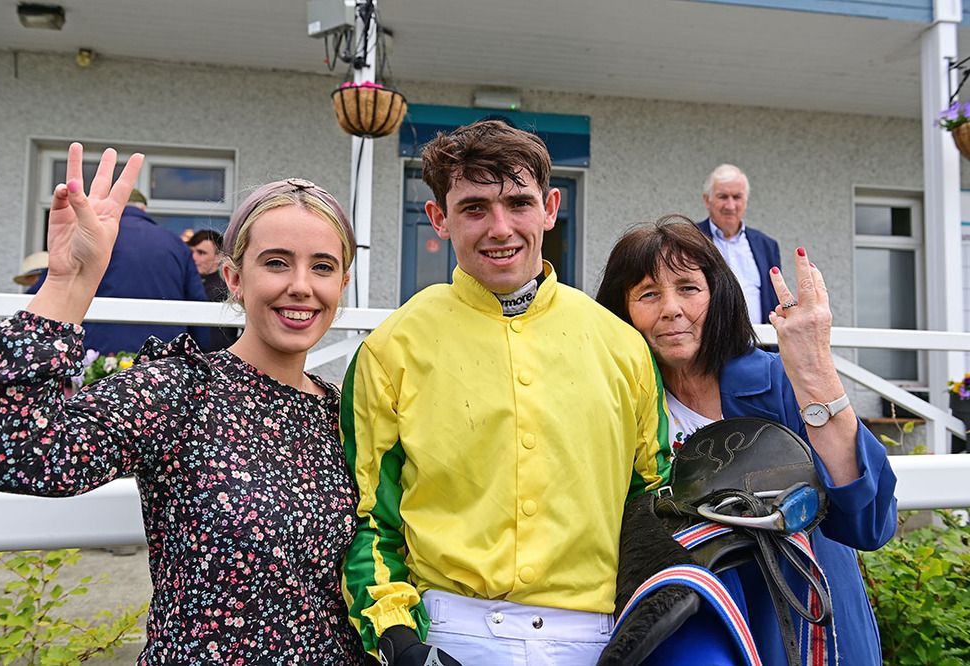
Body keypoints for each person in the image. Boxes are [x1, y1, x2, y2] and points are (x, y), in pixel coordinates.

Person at [0, 143, 368, 664]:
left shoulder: (342, 413)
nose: (300, 286)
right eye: (276, 262)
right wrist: (69, 282)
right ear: (233, 278)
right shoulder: (180, 391)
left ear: (341, 283)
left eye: (322, 267)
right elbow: (7, 447)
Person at [341, 120, 671, 665]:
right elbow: (367, 517)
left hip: (598, 637)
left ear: (550, 207)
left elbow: (653, 501)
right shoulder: (389, 348)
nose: (500, 228)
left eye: (518, 203)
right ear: (438, 218)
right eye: (474, 208)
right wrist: (399, 641)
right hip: (447, 635)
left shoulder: (623, 346)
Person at [595, 215, 897, 665]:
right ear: (622, 312)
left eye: (689, 288)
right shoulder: (620, 403)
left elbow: (868, 523)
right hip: (695, 636)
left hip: (806, 626)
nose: (671, 308)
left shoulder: (777, 381)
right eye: (648, 294)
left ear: (718, 296)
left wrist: (816, 372)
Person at [29, 189, 210, 354]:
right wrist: (202, 354)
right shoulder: (176, 244)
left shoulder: (90, 237)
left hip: (98, 354)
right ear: (143, 210)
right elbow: (197, 304)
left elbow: (46, 292)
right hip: (161, 357)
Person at [698, 164, 781, 324]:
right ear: (707, 200)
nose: (730, 206)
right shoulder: (690, 239)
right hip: (709, 345)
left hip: (759, 344)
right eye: (723, 197)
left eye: (737, 197)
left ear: (746, 201)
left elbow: (774, 299)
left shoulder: (767, 246)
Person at [187, 229, 239, 351]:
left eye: (201, 253)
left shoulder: (223, 290)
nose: (193, 258)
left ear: (218, 257)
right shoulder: (187, 285)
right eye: (190, 252)